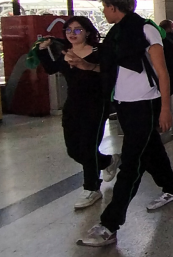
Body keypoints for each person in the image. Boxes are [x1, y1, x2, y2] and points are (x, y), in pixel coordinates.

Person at [78, 0, 173, 247]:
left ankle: (110, 224)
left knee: (131, 163)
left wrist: (165, 108)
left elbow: (163, 73)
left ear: (115, 7)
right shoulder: (117, 34)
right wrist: (88, 66)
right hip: (124, 104)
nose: (103, 12)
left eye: (105, 7)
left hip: (144, 105)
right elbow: (114, 66)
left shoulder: (145, 30)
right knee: (150, 149)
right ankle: (172, 187)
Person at [38, 17, 120, 210]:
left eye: (78, 30)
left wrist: (88, 66)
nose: (72, 34)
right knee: (74, 149)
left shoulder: (100, 52)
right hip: (73, 106)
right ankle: (109, 160)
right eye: (68, 30)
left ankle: (91, 188)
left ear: (88, 32)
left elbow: (112, 72)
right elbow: (50, 69)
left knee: (88, 147)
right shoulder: (65, 53)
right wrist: (42, 51)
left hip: (96, 104)